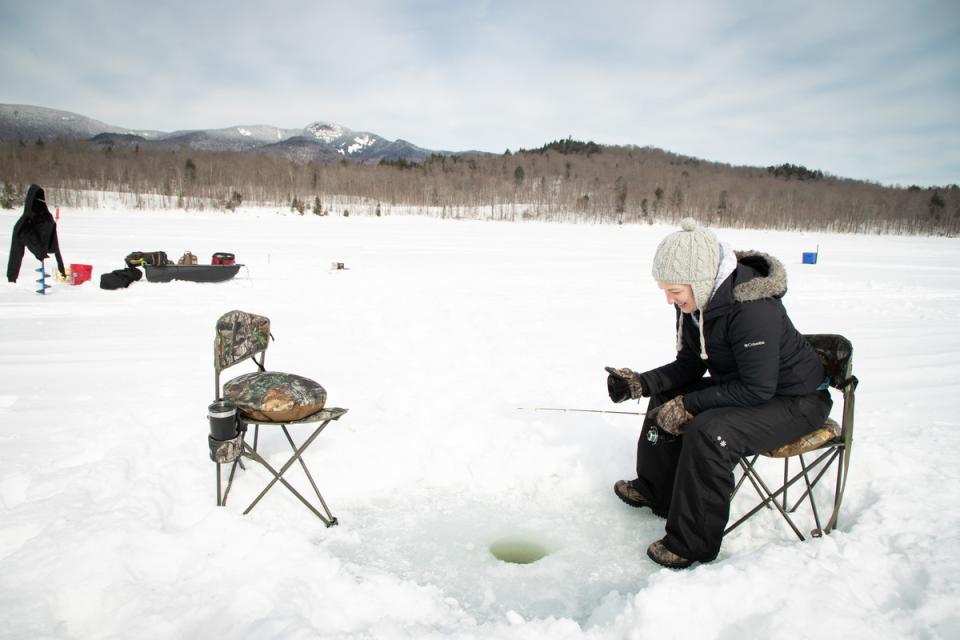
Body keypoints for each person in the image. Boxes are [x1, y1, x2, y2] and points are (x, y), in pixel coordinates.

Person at [605, 218, 831, 569]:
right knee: (668, 397)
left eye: (674, 291)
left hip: (796, 401)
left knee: (711, 433)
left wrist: (691, 405)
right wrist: (641, 383)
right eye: (665, 290)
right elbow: (690, 366)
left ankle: (691, 544)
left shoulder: (752, 307)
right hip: (751, 388)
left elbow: (758, 388)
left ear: (699, 281)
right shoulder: (698, 305)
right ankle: (656, 490)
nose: (669, 300)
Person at [7, 184, 66, 283]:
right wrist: (61, 268)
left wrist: (11, 278)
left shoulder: (31, 220)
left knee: (21, 233)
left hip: (41, 247)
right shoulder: (47, 217)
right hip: (41, 247)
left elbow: (15, 252)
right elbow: (56, 246)